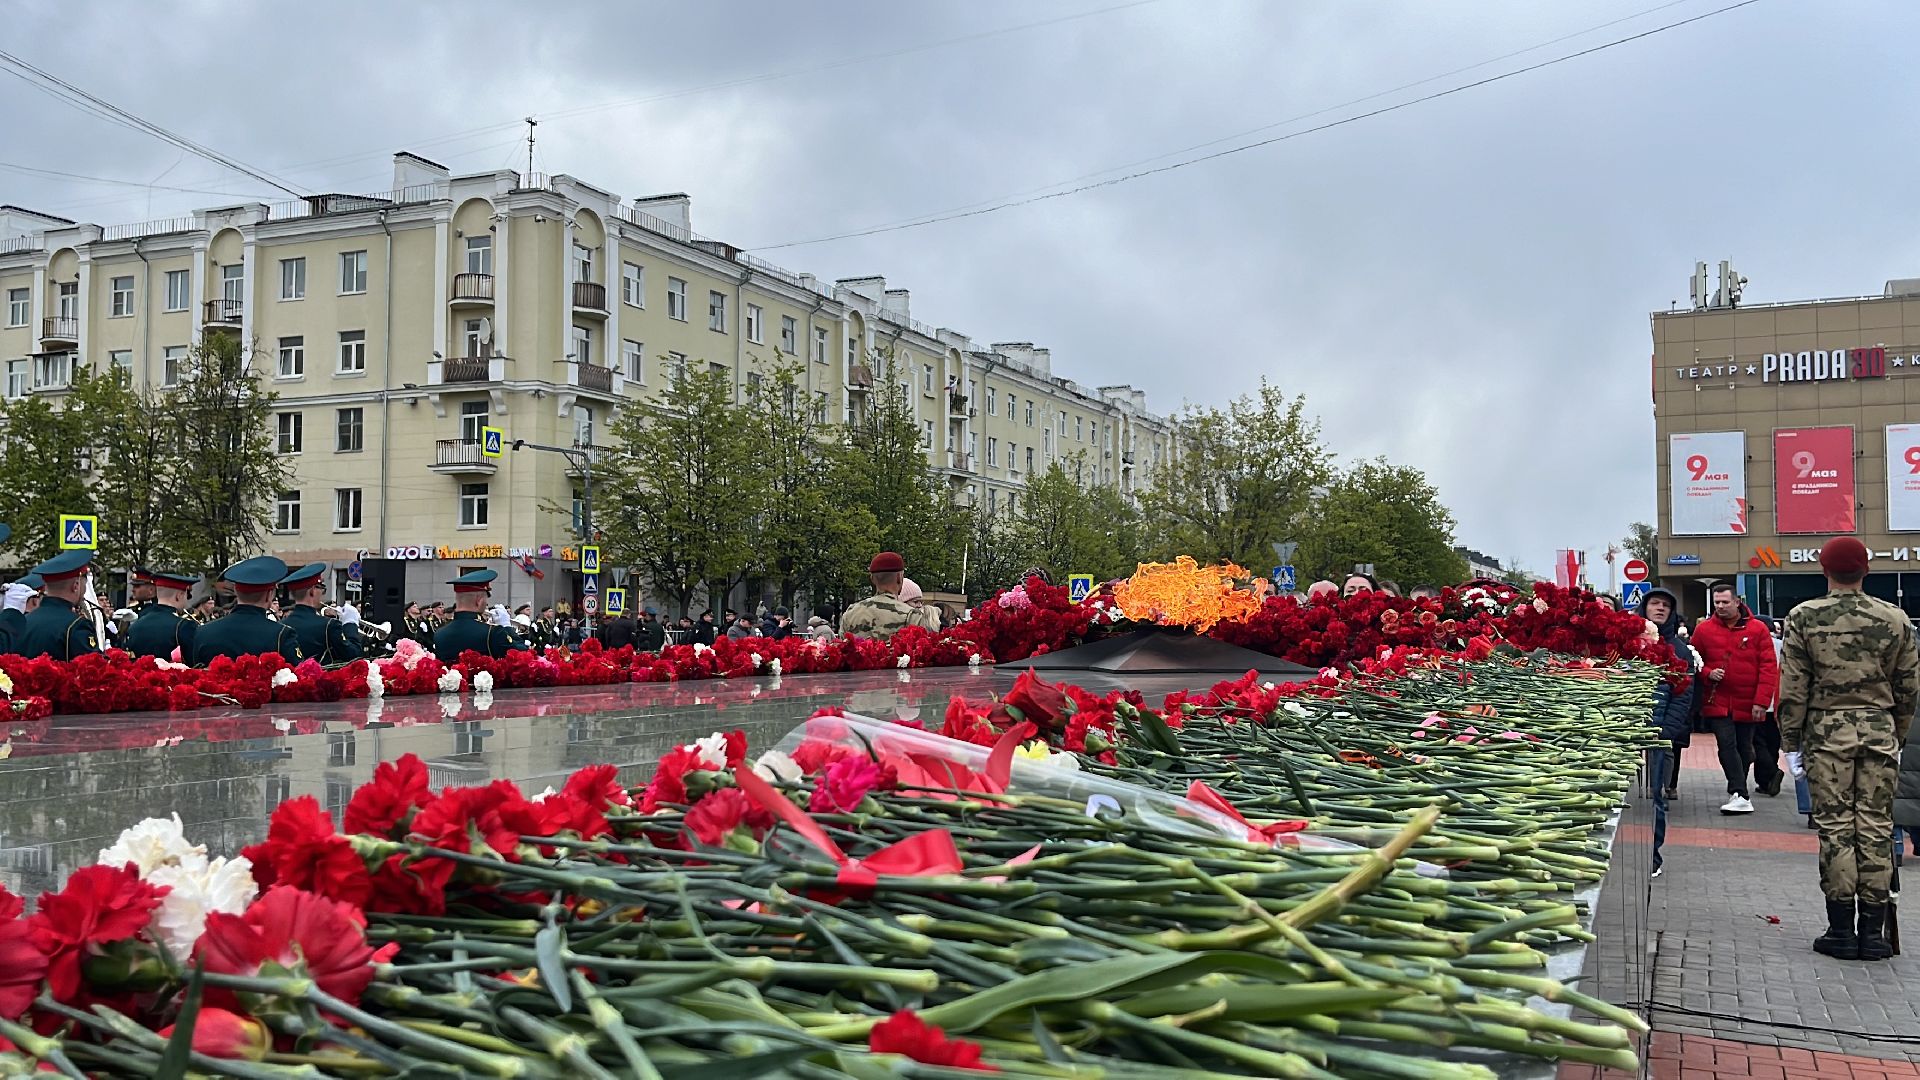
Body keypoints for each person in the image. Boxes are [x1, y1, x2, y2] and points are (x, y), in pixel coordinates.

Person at [1778, 537, 1917, 962]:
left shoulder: (1803, 617)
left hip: (1826, 734)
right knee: (1875, 826)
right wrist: (1898, 733)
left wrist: (1791, 742)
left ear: (1824, 570)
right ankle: (1872, 933)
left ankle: (1840, 930)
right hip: (1879, 732)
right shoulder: (1894, 619)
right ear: (1866, 571)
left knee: (1836, 827)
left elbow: (1793, 688)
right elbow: (1909, 687)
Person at [1691, 582, 1780, 814]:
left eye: (1724, 602)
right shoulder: (1704, 630)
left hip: (1748, 701)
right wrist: (1708, 672)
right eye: (1716, 602)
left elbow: (1769, 667)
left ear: (1737, 602)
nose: (1720, 606)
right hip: (1717, 700)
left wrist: (1762, 701)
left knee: (1745, 747)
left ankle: (1739, 791)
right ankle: (1739, 792)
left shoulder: (1758, 629)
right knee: (1726, 744)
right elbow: (1693, 660)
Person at [1637, 586, 1698, 879]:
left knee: (1655, 797)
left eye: (1665, 605)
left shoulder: (1679, 649)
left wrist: (1668, 731)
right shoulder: (1630, 642)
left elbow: (1684, 695)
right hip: (1625, 729)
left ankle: (1653, 857)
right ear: (1645, 608)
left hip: (1660, 731)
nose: (1660, 609)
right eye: (1655, 604)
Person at [192, 557, 303, 665]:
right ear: (269, 595)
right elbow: (297, 675)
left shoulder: (203, 632)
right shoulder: (281, 634)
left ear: (236, 590)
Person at [13, 551, 101, 661]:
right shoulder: (77, 625)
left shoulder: (22, 622)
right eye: (85, 584)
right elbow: (94, 668)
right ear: (75, 586)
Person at [433, 570, 531, 662]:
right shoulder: (492, 632)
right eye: (485, 598)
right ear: (479, 600)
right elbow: (523, 655)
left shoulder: (440, 633)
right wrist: (507, 627)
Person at [278, 563, 361, 664]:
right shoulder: (329, 625)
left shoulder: (280, 625)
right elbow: (352, 655)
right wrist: (350, 623)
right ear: (312, 591)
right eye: (322, 589)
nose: (322, 594)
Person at [123, 571, 200, 661]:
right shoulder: (184, 626)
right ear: (179, 596)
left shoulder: (135, 625)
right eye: (186, 595)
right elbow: (194, 662)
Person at [841, 551, 917, 640]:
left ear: (872, 579)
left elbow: (842, 647)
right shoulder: (910, 615)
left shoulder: (851, 613)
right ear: (899, 577)